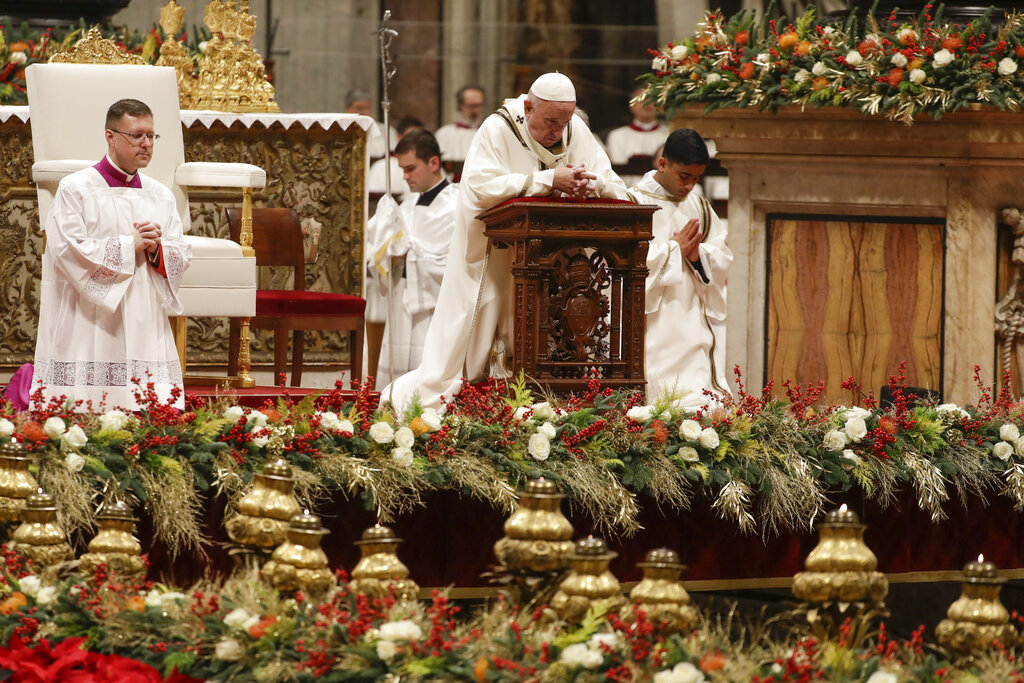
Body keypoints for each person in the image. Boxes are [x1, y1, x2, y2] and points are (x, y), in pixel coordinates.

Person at [383, 72, 630, 410]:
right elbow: (479, 187)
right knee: (485, 317)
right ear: (528, 107)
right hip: (496, 253)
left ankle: (547, 391)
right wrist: (547, 179)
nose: (558, 131)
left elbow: (611, 180)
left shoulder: (575, 129)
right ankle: (480, 385)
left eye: (564, 121)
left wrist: (593, 185)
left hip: (555, 255)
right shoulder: (497, 129)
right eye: (550, 121)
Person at [33, 98, 192, 410]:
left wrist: (157, 250)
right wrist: (127, 244)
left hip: (143, 310)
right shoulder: (75, 189)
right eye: (136, 135)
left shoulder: (160, 194)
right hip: (91, 317)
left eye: (151, 136)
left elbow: (180, 253)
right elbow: (66, 250)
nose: (146, 144)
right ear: (110, 136)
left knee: (145, 404)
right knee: (90, 405)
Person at [628, 128, 731, 404]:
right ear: (662, 163)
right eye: (684, 176)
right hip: (651, 323)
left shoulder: (700, 206)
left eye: (696, 179)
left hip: (692, 321)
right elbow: (622, 265)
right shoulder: (632, 203)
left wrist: (698, 256)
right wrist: (674, 251)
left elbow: (721, 257)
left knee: (699, 401)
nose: (690, 186)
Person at [365, 129, 458, 385]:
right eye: (402, 170)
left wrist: (412, 254)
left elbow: (457, 263)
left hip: (434, 308)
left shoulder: (457, 204)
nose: (405, 177)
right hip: (402, 301)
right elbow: (383, 259)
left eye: (410, 169)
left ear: (434, 163)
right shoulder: (406, 206)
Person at [605, 86, 669, 186]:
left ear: (659, 106)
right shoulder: (616, 136)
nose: (647, 104)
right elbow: (619, 171)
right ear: (632, 106)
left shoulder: (669, 134)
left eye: (651, 100)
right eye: (641, 100)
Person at [366, 116, 423, 201]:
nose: (416, 142)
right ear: (399, 137)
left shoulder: (428, 165)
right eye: (412, 136)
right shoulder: (382, 166)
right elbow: (374, 202)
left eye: (421, 137)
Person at [434, 85, 485, 162]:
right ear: (461, 105)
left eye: (478, 105)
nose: (475, 110)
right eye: (471, 106)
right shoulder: (444, 134)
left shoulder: (488, 132)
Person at [345, 87, 396, 160]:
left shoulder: (386, 130)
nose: (366, 113)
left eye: (368, 108)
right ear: (347, 109)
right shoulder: (340, 132)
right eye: (360, 108)